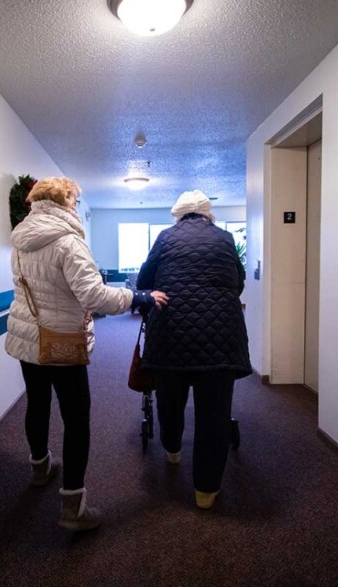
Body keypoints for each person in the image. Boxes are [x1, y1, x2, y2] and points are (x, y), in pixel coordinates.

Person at [5, 176, 168, 531]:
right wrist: (139, 298)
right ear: (65, 201)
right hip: (61, 338)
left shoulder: (19, 240)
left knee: (37, 402)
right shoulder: (67, 242)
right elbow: (95, 298)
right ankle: (73, 508)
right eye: (75, 201)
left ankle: (40, 467)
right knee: (76, 419)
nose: (76, 207)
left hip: (26, 337)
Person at [137, 190, 251, 509]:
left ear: (179, 214)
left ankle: (173, 451)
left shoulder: (165, 237)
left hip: (171, 335)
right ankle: (206, 492)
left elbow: (145, 281)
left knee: (170, 401)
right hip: (221, 339)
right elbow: (238, 282)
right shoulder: (226, 239)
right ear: (207, 214)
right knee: (214, 416)